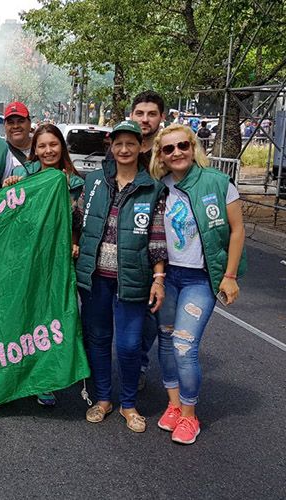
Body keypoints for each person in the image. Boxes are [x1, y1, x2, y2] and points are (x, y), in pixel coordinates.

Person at [150, 124, 246, 445]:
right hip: (168, 278)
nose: (176, 152)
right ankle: (174, 406)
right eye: (168, 149)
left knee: (184, 345)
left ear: (193, 147)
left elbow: (237, 230)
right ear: (161, 156)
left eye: (182, 146)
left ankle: (190, 416)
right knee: (165, 341)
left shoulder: (219, 183)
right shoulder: (159, 188)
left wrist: (229, 276)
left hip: (199, 280)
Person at [75, 121, 167, 433]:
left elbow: (156, 238)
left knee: (129, 345)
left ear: (141, 146)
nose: (124, 150)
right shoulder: (95, 182)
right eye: (118, 144)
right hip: (95, 277)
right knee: (98, 339)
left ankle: (129, 404)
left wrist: (158, 277)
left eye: (131, 143)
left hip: (133, 279)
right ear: (111, 147)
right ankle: (102, 399)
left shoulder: (152, 187)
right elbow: (77, 218)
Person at [3, 123, 85, 407]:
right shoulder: (20, 176)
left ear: (61, 146)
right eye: (42, 146)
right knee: (25, 315)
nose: (48, 150)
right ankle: (18, 374)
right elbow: (6, 216)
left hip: (58, 261)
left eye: (53, 144)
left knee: (53, 319)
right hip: (27, 259)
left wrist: (75, 241)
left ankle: (46, 378)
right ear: (34, 150)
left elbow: (78, 222)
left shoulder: (75, 183)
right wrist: (9, 189)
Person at [127, 90, 167, 390]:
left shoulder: (168, 151)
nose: (145, 119)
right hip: (129, 245)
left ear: (160, 117)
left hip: (164, 242)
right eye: (139, 113)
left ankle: (139, 363)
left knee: (153, 317)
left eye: (151, 114)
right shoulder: (124, 146)